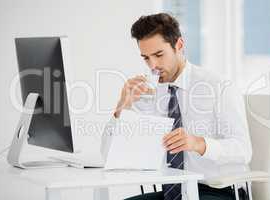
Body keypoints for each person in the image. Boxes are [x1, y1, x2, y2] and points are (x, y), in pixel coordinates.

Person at [101, 13, 252, 200]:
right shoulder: (148, 92)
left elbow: (243, 151)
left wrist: (199, 143)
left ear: (179, 45)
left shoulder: (218, 87)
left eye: (158, 55)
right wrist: (120, 109)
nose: (153, 65)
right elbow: (108, 155)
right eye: (146, 58)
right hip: (172, 192)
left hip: (218, 190)